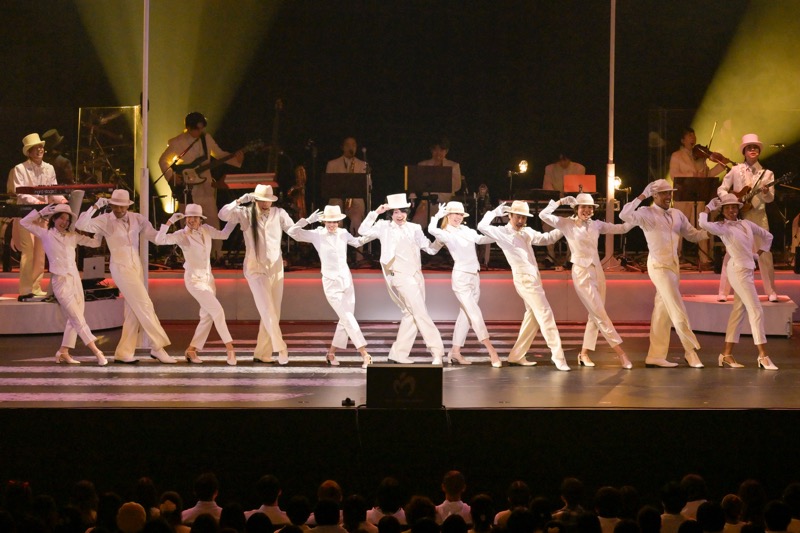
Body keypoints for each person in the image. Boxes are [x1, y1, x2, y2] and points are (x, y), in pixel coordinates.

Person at [75, 189, 176, 364]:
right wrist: (95, 206)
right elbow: (81, 224)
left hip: (136, 266)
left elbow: (156, 238)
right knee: (144, 304)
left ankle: (124, 353)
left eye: (122, 206)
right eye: (116, 206)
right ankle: (158, 347)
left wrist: (170, 227)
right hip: (120, 267)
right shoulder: (105, 220)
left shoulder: (138, 219)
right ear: (111, 205)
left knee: (133, 310)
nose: (119, 209)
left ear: (128, 205)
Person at [619, 179, 708, 368]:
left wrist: (713, 228)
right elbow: (624, 214)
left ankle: (655, 356)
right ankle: (690, 351)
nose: (669, 196)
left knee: (663, 311)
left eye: (670, 193)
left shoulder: (677, 214)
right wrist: (642, 195)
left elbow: (693, 235)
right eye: (664, 193)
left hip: (674, 267)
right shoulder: (646, 212)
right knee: (677, 307)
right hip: (658, 266)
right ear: (655, 195)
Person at [539, 193, 634, 369]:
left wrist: (636, 217)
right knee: (600, 313)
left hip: (597, 271)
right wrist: (560, 201)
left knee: (595, 315)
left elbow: (622, 229)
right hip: (581, 272)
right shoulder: (567, 224)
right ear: (576, 208)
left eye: (590, 207)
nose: (587, 210)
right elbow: (543, 215)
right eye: (583, 207)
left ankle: (584, 354)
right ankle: (621, 353)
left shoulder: (596, 224)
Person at [477, 200, 570, 371]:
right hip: (524, 279)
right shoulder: (502, 232)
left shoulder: (527, 232)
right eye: (517, 217)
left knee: (533, 317)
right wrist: (495, 213)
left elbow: (547, 238)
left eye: (524, 217)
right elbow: (481, 226)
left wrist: (564, 226)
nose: (521, 220)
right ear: (510, 216)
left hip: (534, 277)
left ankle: (517, 355)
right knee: (545, 313)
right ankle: (558, 356)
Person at [359, 193, 445, 364]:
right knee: (420, 312)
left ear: (407, 212)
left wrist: (440, 240)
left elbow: (430, 249)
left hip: (417, 275)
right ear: (390, 213)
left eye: (402, 211)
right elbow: (362, 231)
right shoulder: (383, 226)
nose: (399, 215)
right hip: (399, 275)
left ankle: (398, 354)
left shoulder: (415, 228)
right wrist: (376, 212)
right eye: (395, 212)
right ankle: (437, 351)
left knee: (410, 314)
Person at [287, 205, 375, 368]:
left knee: (345, 319)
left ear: (339, 221)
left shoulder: (343, 233)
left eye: (335, 222)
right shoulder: (317, 234)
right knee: (348, 318)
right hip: (331, 282)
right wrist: (307, 221)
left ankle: (331, 353)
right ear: (324, 221)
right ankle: (365, 354)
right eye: (329, 221)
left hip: (346, 281)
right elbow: (292, 233)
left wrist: (374, 232)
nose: (332, 225)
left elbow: (357, 242)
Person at [20, 204, 107, 365]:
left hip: (75, 280)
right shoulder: (45, 234)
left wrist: (101, 228)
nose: (64, 222)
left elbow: (95, 243)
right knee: (77, 318)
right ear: (54, 218)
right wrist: (42, 212)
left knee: (76, 317)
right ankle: (97, 351)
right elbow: (24, 222)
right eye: (61, 218)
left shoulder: (72, 236)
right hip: (60, 281)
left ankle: (63, 351)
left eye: (67, 220)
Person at [699, 194, 777, 370]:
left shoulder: (746, 224)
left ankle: (726, 355)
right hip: (737, 270)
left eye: (734, 207)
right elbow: (703, 224)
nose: (731, 210)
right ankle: (763, 356)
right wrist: (707, 208)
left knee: (739, 311)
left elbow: (768, 236)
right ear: (722, 210)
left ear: (738, 208)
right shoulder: (722, 227)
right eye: (727, 207)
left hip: (747, 269)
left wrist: (758, 254)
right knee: (756, 310)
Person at [155, 204, 239, 365]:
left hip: (208, 279)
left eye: (195, 217)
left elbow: (224, 235)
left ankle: (191, 350)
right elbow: (159, 240)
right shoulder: (182, 235)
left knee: (207, 316)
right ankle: (230, 349)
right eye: (189, 217)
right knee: (218, 311)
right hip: (194, 280)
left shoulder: (206, 229)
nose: (191, 220)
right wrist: (169, 222)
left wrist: (235, 218)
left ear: (200, 219)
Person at [219, 184, 293, 364]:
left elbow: (294, 231)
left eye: (268, 201)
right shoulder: (245, 213)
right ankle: (281, 347)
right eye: (262, 200)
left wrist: (313, 229)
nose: (265, 204)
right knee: (267, 308)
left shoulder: (279, 213)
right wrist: (239, 200)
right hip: (255, 267)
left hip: (276, 267)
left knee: (273, 311)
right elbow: (223, 214)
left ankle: (262, 353)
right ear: (255, 199)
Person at [158, 112, 244, 261]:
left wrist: (236, 159)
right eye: (196, 129)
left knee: (213, 221)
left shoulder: (206, 138)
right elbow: (163, 161)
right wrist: (172, 177)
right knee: (188, 224)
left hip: (206, 187)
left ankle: (216, 255)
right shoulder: (178, 142)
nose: (199, 132)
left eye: (201, 128)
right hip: (187, 190)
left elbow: (219, 154)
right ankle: (190, 256)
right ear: (188, 127)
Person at [428, 202, 501, 367]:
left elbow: (480, 239)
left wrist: (499, 235)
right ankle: (491, 350)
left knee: (466, 316)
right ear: (448, 215)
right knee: (474, 313)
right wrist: (437, 215)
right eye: (455, 214)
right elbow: (432, 230)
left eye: (460, 214)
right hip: (461, 278)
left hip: (474, 275)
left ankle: (455, 352)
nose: (458, 217)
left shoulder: (467, 230)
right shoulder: (446, 233)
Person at [717, 133, 777, 302]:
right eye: (749, 147)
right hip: (738, 217)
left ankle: (771, 291)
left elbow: (770, 198)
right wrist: (731, 201)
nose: (752, 150)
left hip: (759, 216)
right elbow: (721, 189)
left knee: (764, 254)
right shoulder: (736, 170)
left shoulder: (767, 174)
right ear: (744, 151)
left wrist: (765, 193)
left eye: (755, 147)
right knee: (731, 253)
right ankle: (723, 292)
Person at [10, 133, 69, 298]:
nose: (39, 150)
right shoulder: (20, 169)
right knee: (28, 251)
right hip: (26, 215)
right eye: (35, 148)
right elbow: (21, 193)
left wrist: (62, 200)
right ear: (29, 152)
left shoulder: (49, 168)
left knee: (40, 252)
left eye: (41, 147)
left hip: (43, 215)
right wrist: (37, 203)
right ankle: (25, 289)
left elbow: (53, 191)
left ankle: (35, 286)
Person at [668, 127, 726, 265]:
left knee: (701, 227)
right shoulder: (676, 155)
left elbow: (708, 175)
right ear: (683, 140)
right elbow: (673, 175)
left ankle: (704, 257)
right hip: (683, 197)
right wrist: (693, 175)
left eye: (694, 135)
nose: (693, 138)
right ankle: (675, 256)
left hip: (698, 196)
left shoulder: (700, 158)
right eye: (689, 135)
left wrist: (722, 164)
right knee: (678, 227)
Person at [542, 153, 586, 266]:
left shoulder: (579, 168)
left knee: (574, 226)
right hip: (556, 207)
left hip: (572, 209)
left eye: (565, 159)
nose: (563, 162)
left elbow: (581, 189)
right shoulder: (550, 168)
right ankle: (550, 255)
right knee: (547, 225)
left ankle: (570, 257)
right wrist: (558, 197)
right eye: (561, 160)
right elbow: (547, 188)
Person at [412, 136, 463, 225]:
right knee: (416, 223)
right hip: (426, 202)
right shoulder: (423, 165)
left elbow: (457, 186)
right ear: (431, 150)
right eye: (435, 150)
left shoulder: (453, 165)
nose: (438, 153)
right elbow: (417, 185)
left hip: (446, 202)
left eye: (441, 150)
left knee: (449, 226)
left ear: (446, 151)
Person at [325, 137, 367, 238]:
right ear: (342, 147)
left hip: (356, 203)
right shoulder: (332, 164)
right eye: (348, 145)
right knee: (336, 223)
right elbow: (328, 186)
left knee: (357, 222)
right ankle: (337, 246)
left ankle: (358, 248)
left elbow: (367, 186)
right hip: (337, 201)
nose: (351, 147)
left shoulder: (363, 165)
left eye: (353, 145)